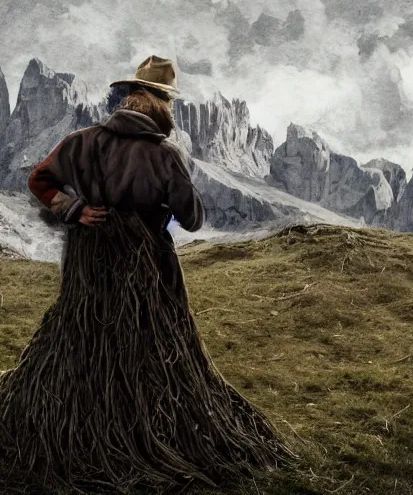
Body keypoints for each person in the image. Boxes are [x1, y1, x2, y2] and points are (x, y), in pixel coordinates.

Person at [0, 55, 294, 492]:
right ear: (159, 104)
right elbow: (192, 219)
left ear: (127, 98)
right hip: (147, 273)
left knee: (82, 337)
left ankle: (74, 425)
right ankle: (149, 431)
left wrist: (74, 209)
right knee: (154, 349)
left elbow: (40, 180)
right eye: (169, 101)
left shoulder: (79, 141)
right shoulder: (164, 155)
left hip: (89, 270)